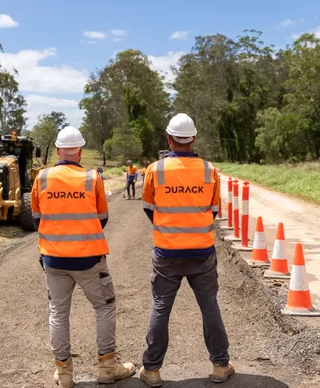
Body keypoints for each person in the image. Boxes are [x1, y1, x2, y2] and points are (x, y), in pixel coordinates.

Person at [31, 126, 136, 388]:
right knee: (104, 307)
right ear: (79, 150)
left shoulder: (42, 178)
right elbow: (102, 218)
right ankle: (107, 368)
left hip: (54, 259)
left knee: (58, 313)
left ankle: (64, 374)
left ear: (57, 150)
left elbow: (36, 218)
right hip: (90, 259)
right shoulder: (92, 178)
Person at [138, 113, 234, 387]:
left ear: (169, 138)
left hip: (167, 253)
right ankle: (220, 365)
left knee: (160, 307)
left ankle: (152, 370)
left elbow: (149, 209)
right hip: (201, 252)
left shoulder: (154, 170)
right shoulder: (209, 170)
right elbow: (214, 211)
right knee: (209, 306)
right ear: (193, 139)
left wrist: (169, 229)